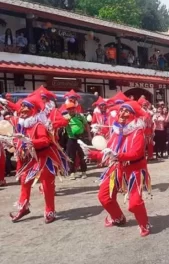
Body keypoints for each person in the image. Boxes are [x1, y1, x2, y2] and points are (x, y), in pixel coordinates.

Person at [81, 101, 151, 237]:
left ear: (134, 116)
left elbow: (136, 153)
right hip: (116, 168)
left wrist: (117, 155)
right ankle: (118, 217)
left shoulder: (138, 132)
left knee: (134, 204)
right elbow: (108, 152)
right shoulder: (116, 131)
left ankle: (144, 223)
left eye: (126, 111)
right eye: (121, 110)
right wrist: (91, 153)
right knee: (104, 197)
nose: (122, 113)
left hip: (134, 171)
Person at [6, 95, 67, 223]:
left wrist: (31, 142)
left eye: (25, 107)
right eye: (21, 107)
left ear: (32, 110)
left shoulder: (38, 125)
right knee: (25, 180)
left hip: (46, 157)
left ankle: (50, 210)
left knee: (47, 185)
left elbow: (45, 140)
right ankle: (23, 207)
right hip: (32, 159)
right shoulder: (23, 125)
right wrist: (11, 142)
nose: (21, 109)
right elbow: (20, 140)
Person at [64, 102, 88, 180]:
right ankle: (72, 172)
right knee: (71, 156)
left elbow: (86, 125)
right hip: (71, 138)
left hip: (81, 138)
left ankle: (83, 171)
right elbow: (60, 125)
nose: (71, 110)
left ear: (75, 108)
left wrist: (89, 136)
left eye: (72, 108)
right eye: (69, 109)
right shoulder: (65, 117)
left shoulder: (81, 116)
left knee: (82, 155)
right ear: (67, 110)